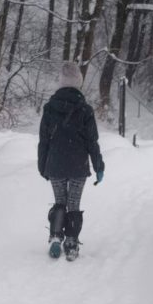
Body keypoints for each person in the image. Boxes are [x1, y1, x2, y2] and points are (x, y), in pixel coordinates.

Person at [37, 62, 105, 260]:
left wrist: (43, 166)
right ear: (79, 82)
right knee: (73, 203)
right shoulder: (85, 110)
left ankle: (56, 237)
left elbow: (44, 141)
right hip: (78, 165)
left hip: (55, 164)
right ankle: (72, 243)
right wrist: (99, 167)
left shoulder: (50, 108)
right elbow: (92, 142)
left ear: (60, 81)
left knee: (60, 201)